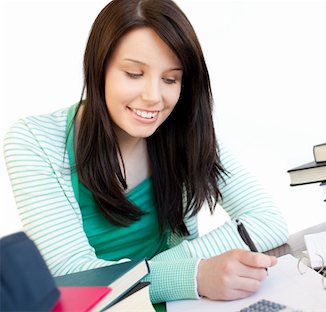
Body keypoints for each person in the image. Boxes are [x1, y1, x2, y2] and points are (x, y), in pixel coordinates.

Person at [3, 0, 288, 304]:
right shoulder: (33, 141)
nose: (153, 97)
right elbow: (74, 276)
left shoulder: (184, 130)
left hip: (182, 302)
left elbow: (269, 222)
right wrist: (191, 274)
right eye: (134, 74)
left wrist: (188, 273)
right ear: (99, 68)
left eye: (170, 79)